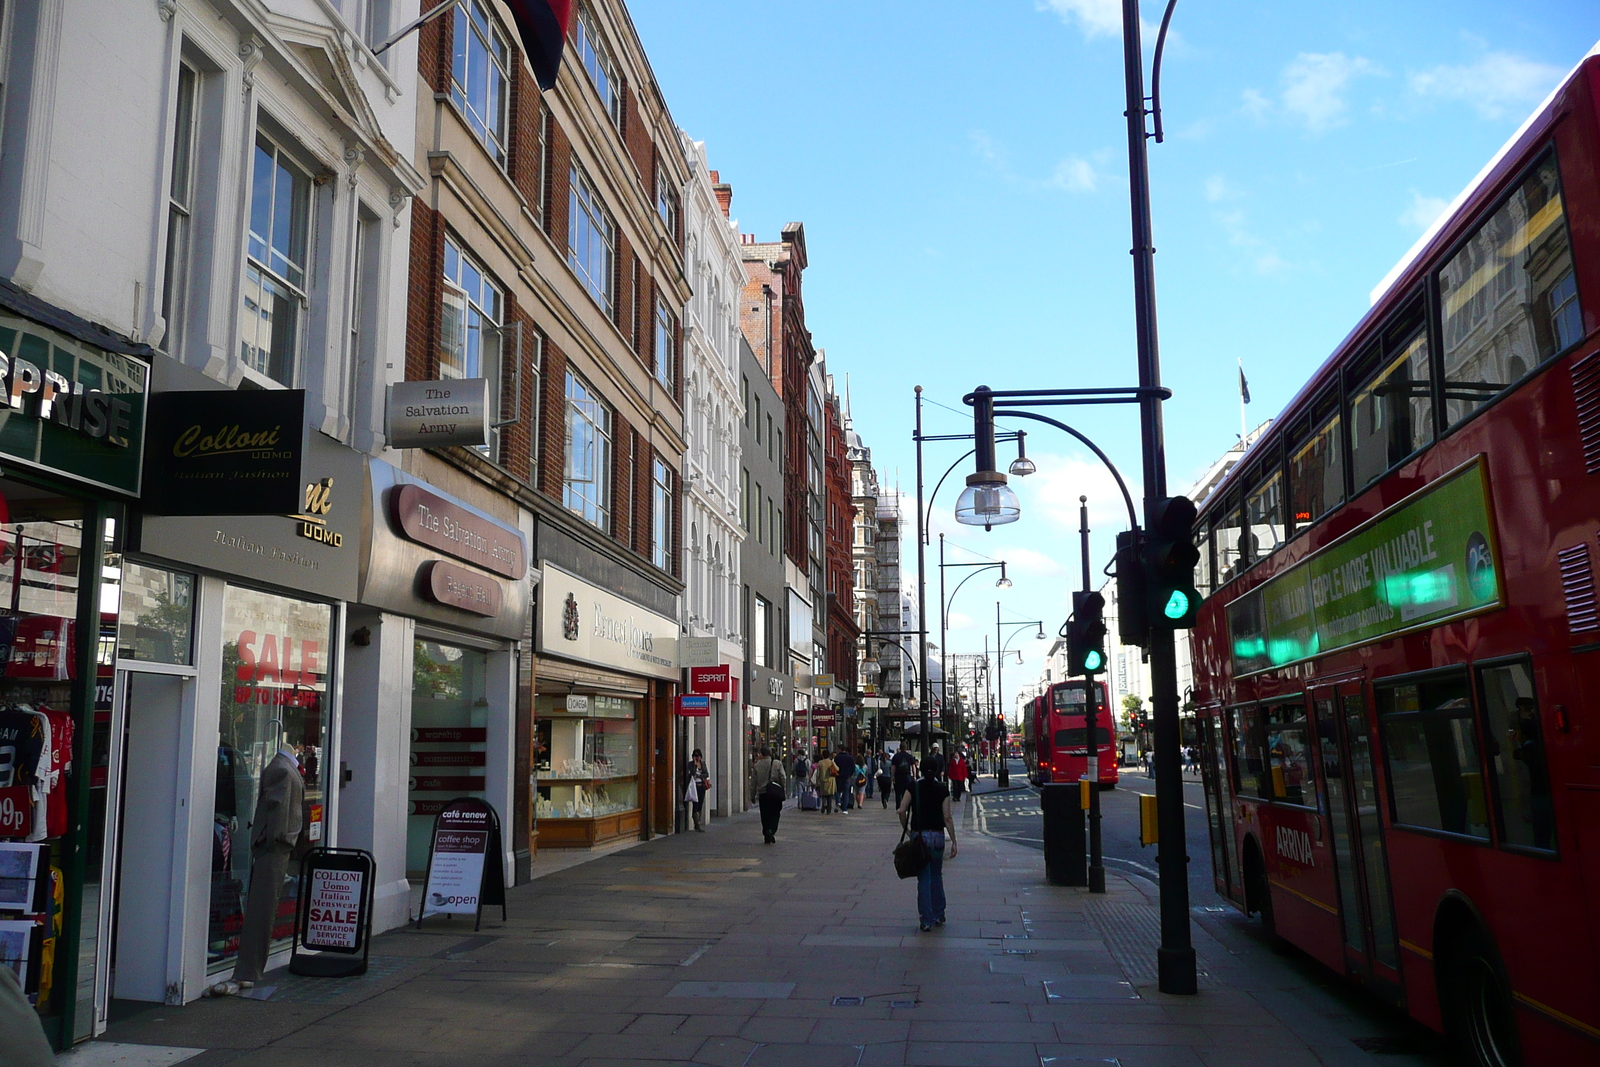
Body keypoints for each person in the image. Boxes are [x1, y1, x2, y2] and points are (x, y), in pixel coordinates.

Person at [898, 755, 957, 932]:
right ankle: (939, 913)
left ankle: (926, 919)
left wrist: (907, 829)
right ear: (939, 769)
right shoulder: (942, 789)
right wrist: (954, 840)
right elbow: (947, 817)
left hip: (920, 837)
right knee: (937, 875)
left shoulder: (913, 787)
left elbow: (901, 810)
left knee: (923, 878)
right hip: (938, 837)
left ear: (921, 769)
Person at [749, 744, 788, 844]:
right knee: (775, 813)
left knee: (765, 814)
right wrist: (783, 789)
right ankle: (772, 830)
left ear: (761, 754)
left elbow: (753, 782)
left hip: (763, 793)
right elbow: (783, 777)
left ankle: (766, 832)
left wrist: (752, 795)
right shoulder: (777, 763)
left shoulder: (757, 765)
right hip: (775, 793)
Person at [684, 748, 711, 831]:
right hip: (694, 787)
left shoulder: (703, 764)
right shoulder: (691, 764)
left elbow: (706, 774)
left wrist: (699, 775)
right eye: (695, 756)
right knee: (695, 804)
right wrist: (695, 765)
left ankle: (698, 821)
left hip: (701, 786)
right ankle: (697, 824)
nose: (697, 758)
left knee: (700, 804)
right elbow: (692, 772)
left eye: (698, 756)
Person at [812, 749, 839, 814]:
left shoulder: (820, 762)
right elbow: (837, 769)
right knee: (829, 795)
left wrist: (817, 780)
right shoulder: (831, 762)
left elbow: (818, 773)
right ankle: (829, 809)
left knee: (823, 795)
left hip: (822, 780)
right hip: (830, 781)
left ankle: (824, 804)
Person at [834, 747, 857, 812]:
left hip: (838, 776)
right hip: (847, 777)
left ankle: (838, 801)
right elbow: (853, 768)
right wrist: (850, 774)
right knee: (846, 792)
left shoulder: (837, 757)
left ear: (840, 749)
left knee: (837, 790)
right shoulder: (850, 758)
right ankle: (844, 808)